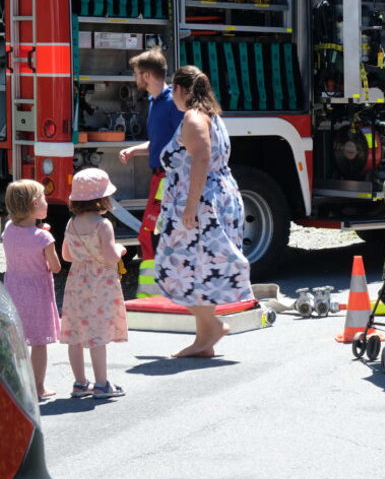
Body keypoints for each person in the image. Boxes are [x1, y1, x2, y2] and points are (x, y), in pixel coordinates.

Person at [155, 66, 251, 358]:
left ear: (181, 90)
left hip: (202, 203)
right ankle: (203, 340)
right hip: (217, 198)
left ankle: (213, 325)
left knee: (173, 268)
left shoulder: (193, 117)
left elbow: (200, 159)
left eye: (174, 89)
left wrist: (191, 205)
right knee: (198, 269)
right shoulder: (211, 116)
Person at [118, 48, 184, 298]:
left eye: (136, 73)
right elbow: (162, 143)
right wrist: (136, 149)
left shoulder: (171, 103)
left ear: (146, 75)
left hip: (168, 180)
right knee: (153, 235)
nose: (134, 78)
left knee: (151, 234)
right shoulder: (156, 103)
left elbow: (184, 140)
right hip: (160, 178)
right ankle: (158, 291)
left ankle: (156, 293)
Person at [60, 168, 128, 399]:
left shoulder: (71, 223)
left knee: (76, 334)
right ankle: (101, 385)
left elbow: (67, 256)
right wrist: (119, 249)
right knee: (97, 333)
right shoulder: (103, 224)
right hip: (100, 283)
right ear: (102, 198)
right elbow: (110, 257)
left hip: (77, 281)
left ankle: (80, 383)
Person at [3, 180, 62, 399]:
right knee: (38, 343)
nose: (47, 202)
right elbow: (55, 267)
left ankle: (18, 385)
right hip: (37, 295)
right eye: (44, 199)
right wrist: (46, 238)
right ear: (35, 203)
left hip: (13, 290)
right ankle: (38, 387)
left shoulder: (8, 228)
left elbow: (22, 238)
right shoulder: (44, 238)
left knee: (17, 342)